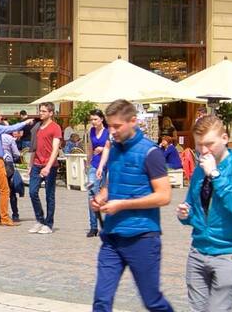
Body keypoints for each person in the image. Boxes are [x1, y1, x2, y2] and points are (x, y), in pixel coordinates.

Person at [89, 99, 174, 312]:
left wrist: (122, 205)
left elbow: (164, 196)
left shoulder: (150, 152)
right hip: (112, 237)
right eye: (110, 126)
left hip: (142, 237)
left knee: (152, 300)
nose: (112, 131)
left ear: (133, 121)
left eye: (117, 126)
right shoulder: (115, 149)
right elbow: (114, 182)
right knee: (101, 300)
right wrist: (102, 196)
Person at [179, 114, 232, 312]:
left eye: (209, 144)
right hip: (199, 250)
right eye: (199, 145)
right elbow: (194, 206)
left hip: (230, 252)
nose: (204, 150)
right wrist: (185, 214)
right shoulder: (199, 170)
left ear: (224, 138)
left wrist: (215, 175)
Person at [0, 109, 36, 227]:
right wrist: (26, 122)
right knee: (5, 190)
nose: (1, 117)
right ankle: (4, 218)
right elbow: (11, 128)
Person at [29, 103, 64, 235]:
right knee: (32, 192)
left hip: (50, 166)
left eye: (44, 111)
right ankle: (40, 219)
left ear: (51, 113)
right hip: (37, 164)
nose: (41, 113)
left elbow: (55, 149)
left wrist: (49, 166)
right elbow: (34, 147)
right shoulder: (37, 127)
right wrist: (30, 165)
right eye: (40, 111)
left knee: (49, 195)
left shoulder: (56, 128)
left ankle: (48, 224)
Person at [85, 109, 111, 238]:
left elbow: (110, 148)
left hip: (108, 165)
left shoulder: (108, 132)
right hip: (95, 165)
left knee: (107, 195)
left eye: (95, 119)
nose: (93, 122)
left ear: (101, 119)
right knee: (91, 192)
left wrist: (103, 149)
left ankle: (108, 224)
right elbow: (90, 146)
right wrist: (88, 161)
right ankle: (93, 226)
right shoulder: (91, 131)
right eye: (91, 120)